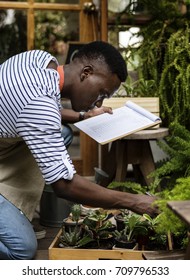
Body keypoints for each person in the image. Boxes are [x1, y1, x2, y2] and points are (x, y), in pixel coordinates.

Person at [0, 41, 158, 260]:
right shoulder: (38, 103)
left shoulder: (41, 61)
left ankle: (15, 211)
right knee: (21, 250)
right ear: (86, 72)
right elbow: (64, 185)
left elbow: (41, 110)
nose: (99, 102)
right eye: (102, 93)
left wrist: (84, 116)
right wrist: (134, 201)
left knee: (63, 133)